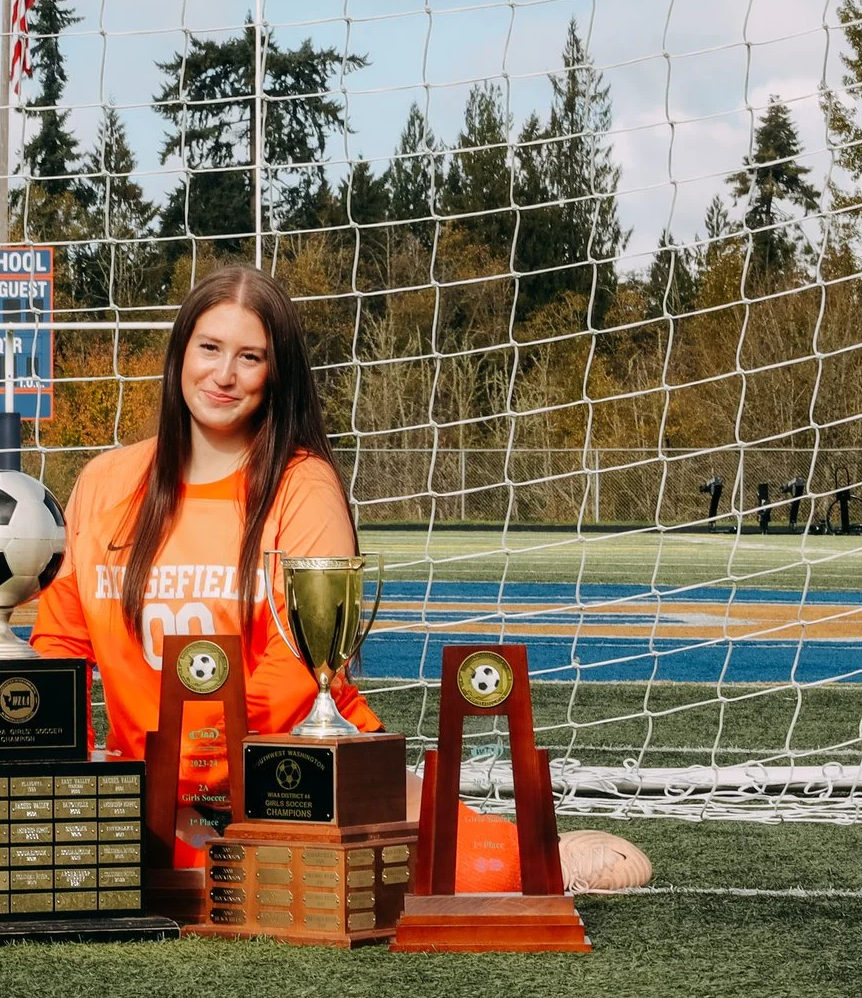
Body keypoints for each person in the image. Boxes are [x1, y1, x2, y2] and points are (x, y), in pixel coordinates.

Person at [32, 263, 524, 887]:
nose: (224, 375)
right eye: (209, 348)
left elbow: (298, 669)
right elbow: (61, 644)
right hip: (153, 791)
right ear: (180, 352)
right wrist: (77, 784)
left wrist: (198, 775)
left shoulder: (302, 485)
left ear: (275, 373)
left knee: (492, 873)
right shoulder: (104, 483)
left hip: (295, 772)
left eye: (250, 357)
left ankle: (503, 836)